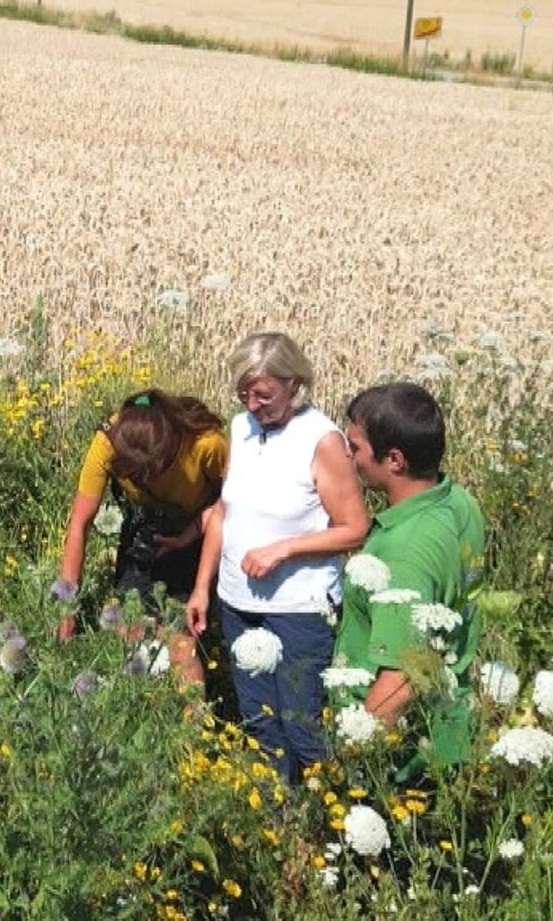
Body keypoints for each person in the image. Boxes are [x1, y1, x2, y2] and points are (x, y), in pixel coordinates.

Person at [185, 332, 367, 784]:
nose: (252, 404)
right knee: (259, 721)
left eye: (263, 394)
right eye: (243, 394)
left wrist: (282, 550)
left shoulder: (321, 441)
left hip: (297, 610)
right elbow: (225, 512)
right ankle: (277, 824)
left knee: (300, 724)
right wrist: (202, 586)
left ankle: (328, 815)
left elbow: (355, 528)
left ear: (294, 383)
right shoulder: (240, 429)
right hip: (238, 604)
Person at [332, 382, 488, 774]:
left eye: (356, 447)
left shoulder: (404, 552)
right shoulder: (458, 502)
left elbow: (400, 678)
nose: (349, 458)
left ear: (395, 460)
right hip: (448, 728)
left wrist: (351, 759)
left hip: (401, 753)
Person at [55, 389, 228, 683]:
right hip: (144, 530)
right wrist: (66, 609)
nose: (143, 477)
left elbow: (238, 499)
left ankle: (192, 722)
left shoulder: (205, 444)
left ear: (170, 443)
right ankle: (141, 708)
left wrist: (191, 533)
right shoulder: (108, 442)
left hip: (199, 532)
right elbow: (79, 525)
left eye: (151, 470)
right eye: (133, 471)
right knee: (129, 626)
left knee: (179, 642)